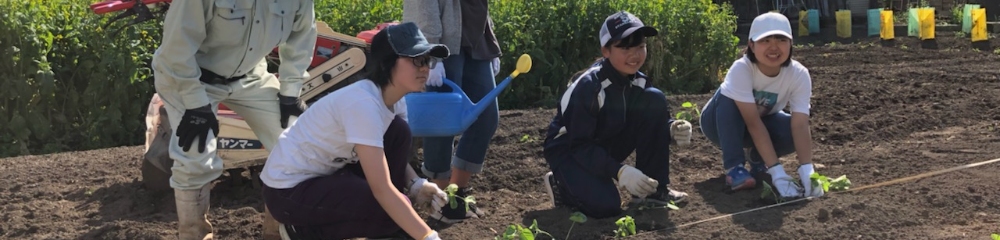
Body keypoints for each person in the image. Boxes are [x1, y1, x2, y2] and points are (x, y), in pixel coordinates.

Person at [259, 22, 451, 240]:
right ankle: (300, 231)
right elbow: (382, 189)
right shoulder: (362, 103)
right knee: (386, 209)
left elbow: (383, 158)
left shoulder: (395, 102)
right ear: (387, 63)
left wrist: (415, 184)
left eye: (427, 60)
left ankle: (388, 226)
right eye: (416, 60)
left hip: (327, 177)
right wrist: (428, 236)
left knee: (398, 133)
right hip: (288, 193)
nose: (425, 68)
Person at [150, 0, 316, 238]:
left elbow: (302, 37)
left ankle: (275, 233)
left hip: (250, 76)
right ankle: (195, 234)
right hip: (188, 76)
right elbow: (176, 50)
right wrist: (196, 104)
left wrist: (290, 92)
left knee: (298, 145)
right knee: (196, 155)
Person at [540, 11, 693, 219]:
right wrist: (620, 171)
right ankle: (561, 184)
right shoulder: (589, 87)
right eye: (625, 47)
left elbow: (650, 122)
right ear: (606, 51)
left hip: (603, 140)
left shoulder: (637, 81)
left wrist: (671, 128)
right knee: (606, 207)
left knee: (654, 98)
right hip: (570, 150)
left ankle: (654, 191)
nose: (635, 54)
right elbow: (579, 145)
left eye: (640, 46)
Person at [698, 12, 825, 200]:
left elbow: (800, 124)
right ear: (751, 45)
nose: (774, 47)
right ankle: (735, 168)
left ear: (791, 44)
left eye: (781, 39)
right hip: (718, 125)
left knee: (790, 129)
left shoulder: (799, 74)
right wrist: (777, 172)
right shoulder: (742, 69)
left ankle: (757, 158)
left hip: (762, 122)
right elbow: (753, 123)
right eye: (765, 40)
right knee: (728, 99)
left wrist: (808, 170)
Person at [402, 0, 501, 223]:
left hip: (476, 44)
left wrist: (490, 40)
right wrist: (431, 53)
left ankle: (456, 193)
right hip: (444, 44)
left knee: (486, 117)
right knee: (440, 123)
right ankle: (438, 200)